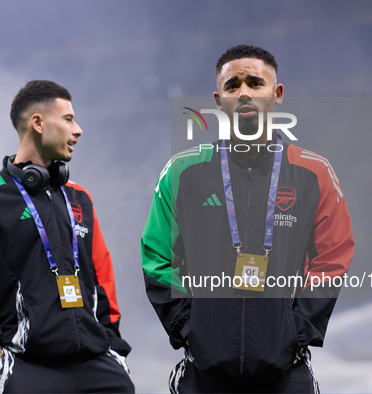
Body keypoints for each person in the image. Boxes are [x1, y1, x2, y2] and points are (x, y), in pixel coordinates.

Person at [141, 45, 355, 393]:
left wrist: (296, 328)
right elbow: (157, 256)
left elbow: (333, 257)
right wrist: (187, 326)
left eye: (255, 82)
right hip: (204, 374)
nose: (243, 93)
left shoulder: (313, 172)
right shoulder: (183, 171)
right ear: (217, 99)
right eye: (232, 85)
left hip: (285, 374)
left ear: (277, 93)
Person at [0, 80, 134, 393]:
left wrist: (115, 352)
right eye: (68, 119)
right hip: (27, 369)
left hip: (98, 367)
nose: (78, 130)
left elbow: (104, 283)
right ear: (37, 122)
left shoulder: (81, 199)